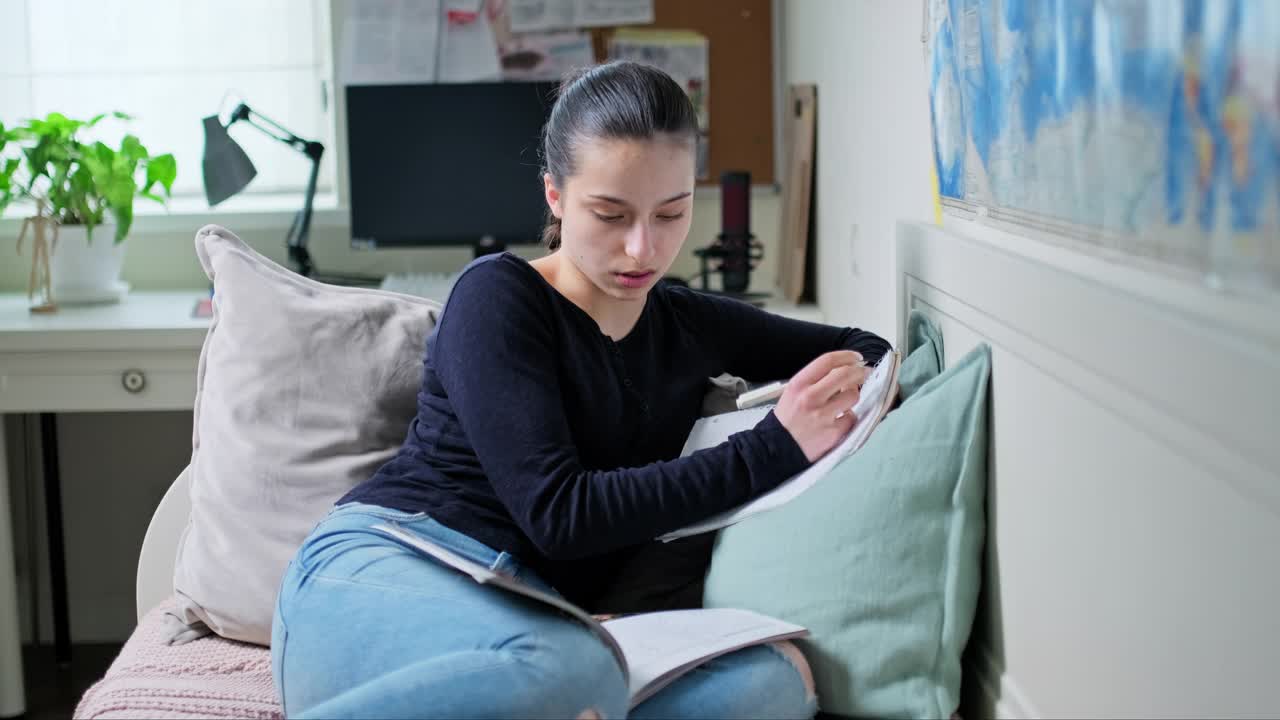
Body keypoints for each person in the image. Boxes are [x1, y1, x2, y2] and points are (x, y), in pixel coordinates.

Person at [271, 61, 891, 720]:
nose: (641, 248)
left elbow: (867, 349)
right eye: (610, 213)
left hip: (534, 621)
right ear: (556, 197)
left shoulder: (687, 322)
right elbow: (560, 515)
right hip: (388, 567)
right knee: (574, 672)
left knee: (774, 681)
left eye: (671, 213)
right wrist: (774, 446)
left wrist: (847, 396)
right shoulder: (498, 297)